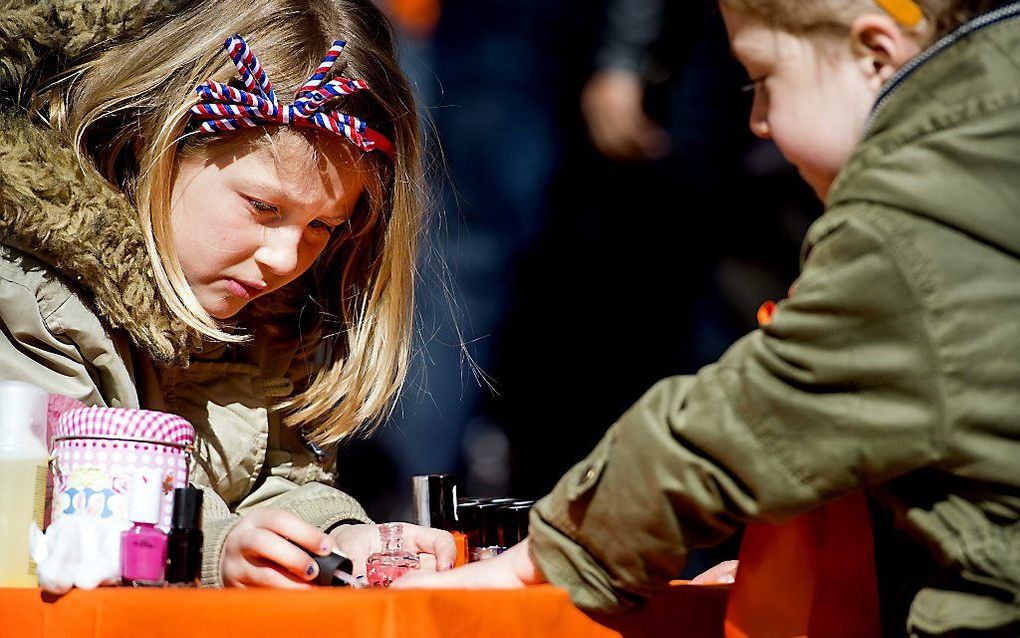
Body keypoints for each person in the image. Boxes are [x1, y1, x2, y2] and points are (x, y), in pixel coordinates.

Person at [395, 0, 1020, 635]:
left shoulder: (915, 222)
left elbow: (749, 420)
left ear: (876, 54)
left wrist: (545, 558)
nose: (757, 121)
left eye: (761, 80)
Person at [0, 0, 455, 588]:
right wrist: (213, 549)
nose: (286, 260)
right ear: (152, 142)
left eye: (322, 226)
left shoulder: (265, 316)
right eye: (264, 207)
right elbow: (64, 507)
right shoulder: (32, 302)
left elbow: (277, 480)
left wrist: (335, 540)